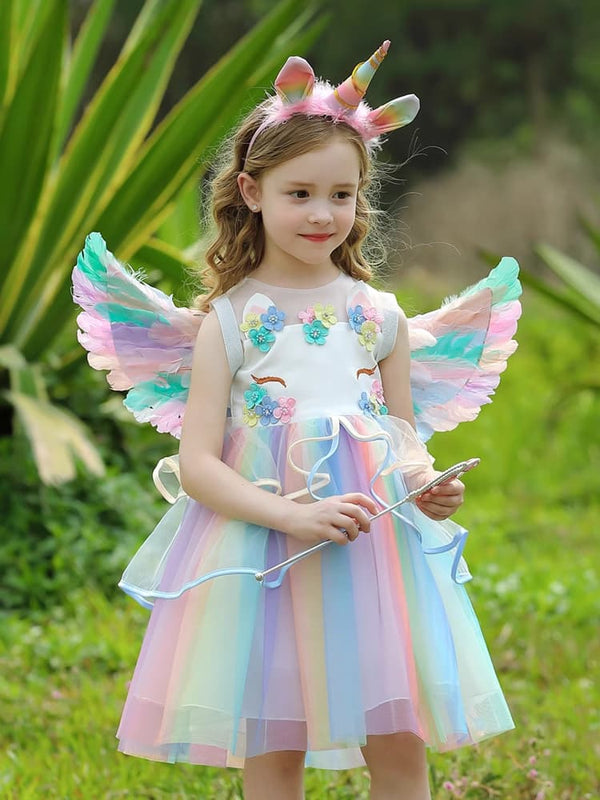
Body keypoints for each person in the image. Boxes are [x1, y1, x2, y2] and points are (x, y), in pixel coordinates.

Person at [73, 40, 519, 800]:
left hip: (374, 554)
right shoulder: (232, 321)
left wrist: (423, 484)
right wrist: (289, 515)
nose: (323, 214)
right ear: (250, 190)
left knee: (399, 739)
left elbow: (404, 433)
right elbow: (199, 464)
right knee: (273, 742)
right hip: (267, 556)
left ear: (361, 199)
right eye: (300, 193)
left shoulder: (379, 316)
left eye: (341, 196)